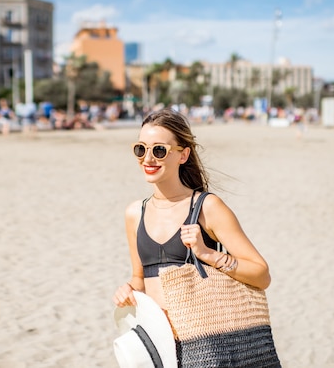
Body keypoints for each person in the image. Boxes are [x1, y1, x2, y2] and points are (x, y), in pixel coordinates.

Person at [112, 108, 273, 358]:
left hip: (205, 346)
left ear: (183, 155)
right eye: (140, 149)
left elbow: (261, 275)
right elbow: (139, 278)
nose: (147, 159)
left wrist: (208, 254)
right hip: (159, 347)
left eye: (159, 150)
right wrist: (128, 290)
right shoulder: (135, 213)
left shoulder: (207, 207)